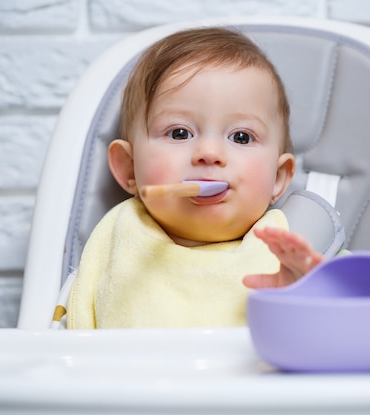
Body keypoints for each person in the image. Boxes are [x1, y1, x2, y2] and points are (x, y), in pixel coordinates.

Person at [66, 27, 323, 329]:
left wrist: (309, 297)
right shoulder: (116, 242)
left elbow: (353, 343)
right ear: (127, 168)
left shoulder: (294, 252)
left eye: (241, 137)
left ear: (278, 178)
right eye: (179, 133)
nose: (209, 153)